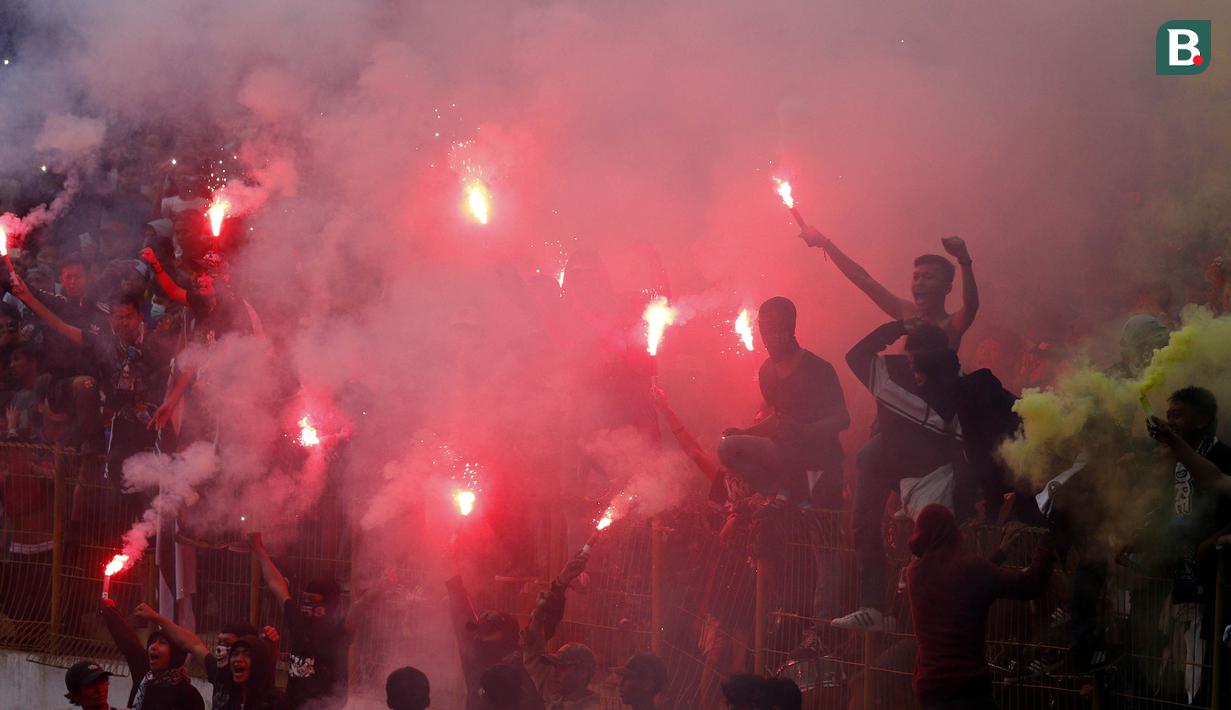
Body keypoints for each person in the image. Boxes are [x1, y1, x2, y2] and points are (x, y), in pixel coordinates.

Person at [834, 320, 1025, 631]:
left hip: (940, 493)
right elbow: (856, 357)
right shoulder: (895, 379)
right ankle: (875, 609)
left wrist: (978, 501)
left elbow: (978, 452)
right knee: (866, 478)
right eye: (909, 361)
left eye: (916, 362)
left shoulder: (968, 394)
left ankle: (932, 632)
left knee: (936, 574)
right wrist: (892, 329)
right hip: (911, 491)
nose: (912, 371)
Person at [907, 504, 1056, 710]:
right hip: (968, 689)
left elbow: (962, 581)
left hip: (929, 691)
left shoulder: (914, 573)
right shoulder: (971, 569)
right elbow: (1031, 585)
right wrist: (1049, 540)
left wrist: (1000, 553)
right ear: (953, 533)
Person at [718, 296, 849, 509]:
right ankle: (782, 489)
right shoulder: (766, 372)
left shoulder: (818, 368)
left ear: (791, 327)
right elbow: (777, 419)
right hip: (783, 453)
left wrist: (804, 430)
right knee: (728, 447)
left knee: (821, 525)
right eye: (765, 329)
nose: (770, 336)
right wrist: (745, 432)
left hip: (820, 457)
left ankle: (795, 492)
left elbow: (842, 419)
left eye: (776, 328)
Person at [1146, 387, 1231, 702]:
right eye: (1168, 416)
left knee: (1210, 666)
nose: (1171, 422)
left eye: (1178, 415)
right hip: (1184, 577)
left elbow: (1217, 483)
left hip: (1217, 583)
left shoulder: (1222, 455)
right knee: (1186, 666)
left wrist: (1214, 540)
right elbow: (1165, 512)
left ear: (1203, 419)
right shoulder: (1173, 462)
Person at [799, 228, 978, 348]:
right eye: (916, 277)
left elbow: (971, 306)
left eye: (928, 277)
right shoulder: (908, 313)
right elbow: (864, 281)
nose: (920, 283)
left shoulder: (950, 325)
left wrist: (964, 258)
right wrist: (825, 243)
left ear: (947, 288)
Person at [252, 533, 352, 709]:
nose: (308, 606)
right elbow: (277, 586)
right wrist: (258, 548)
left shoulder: (339, 629)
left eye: (314, 601)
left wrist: (379, 588)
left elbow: (360, 609)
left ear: (329, 603)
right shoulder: (298, 622)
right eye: (306, 600)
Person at [99, 598, 205, 710]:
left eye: (162, 643)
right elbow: (129, 644)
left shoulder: (188, 695)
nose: (153, 647)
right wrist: (109, 610)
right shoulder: (145, 676)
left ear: (175, 654)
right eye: (152, 642)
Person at [523, 552, 595, 709]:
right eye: (555, 667)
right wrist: (539, 614)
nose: (554, 673)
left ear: (582, 673)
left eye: (562, 668)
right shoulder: (552, 694)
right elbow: (532, 650)